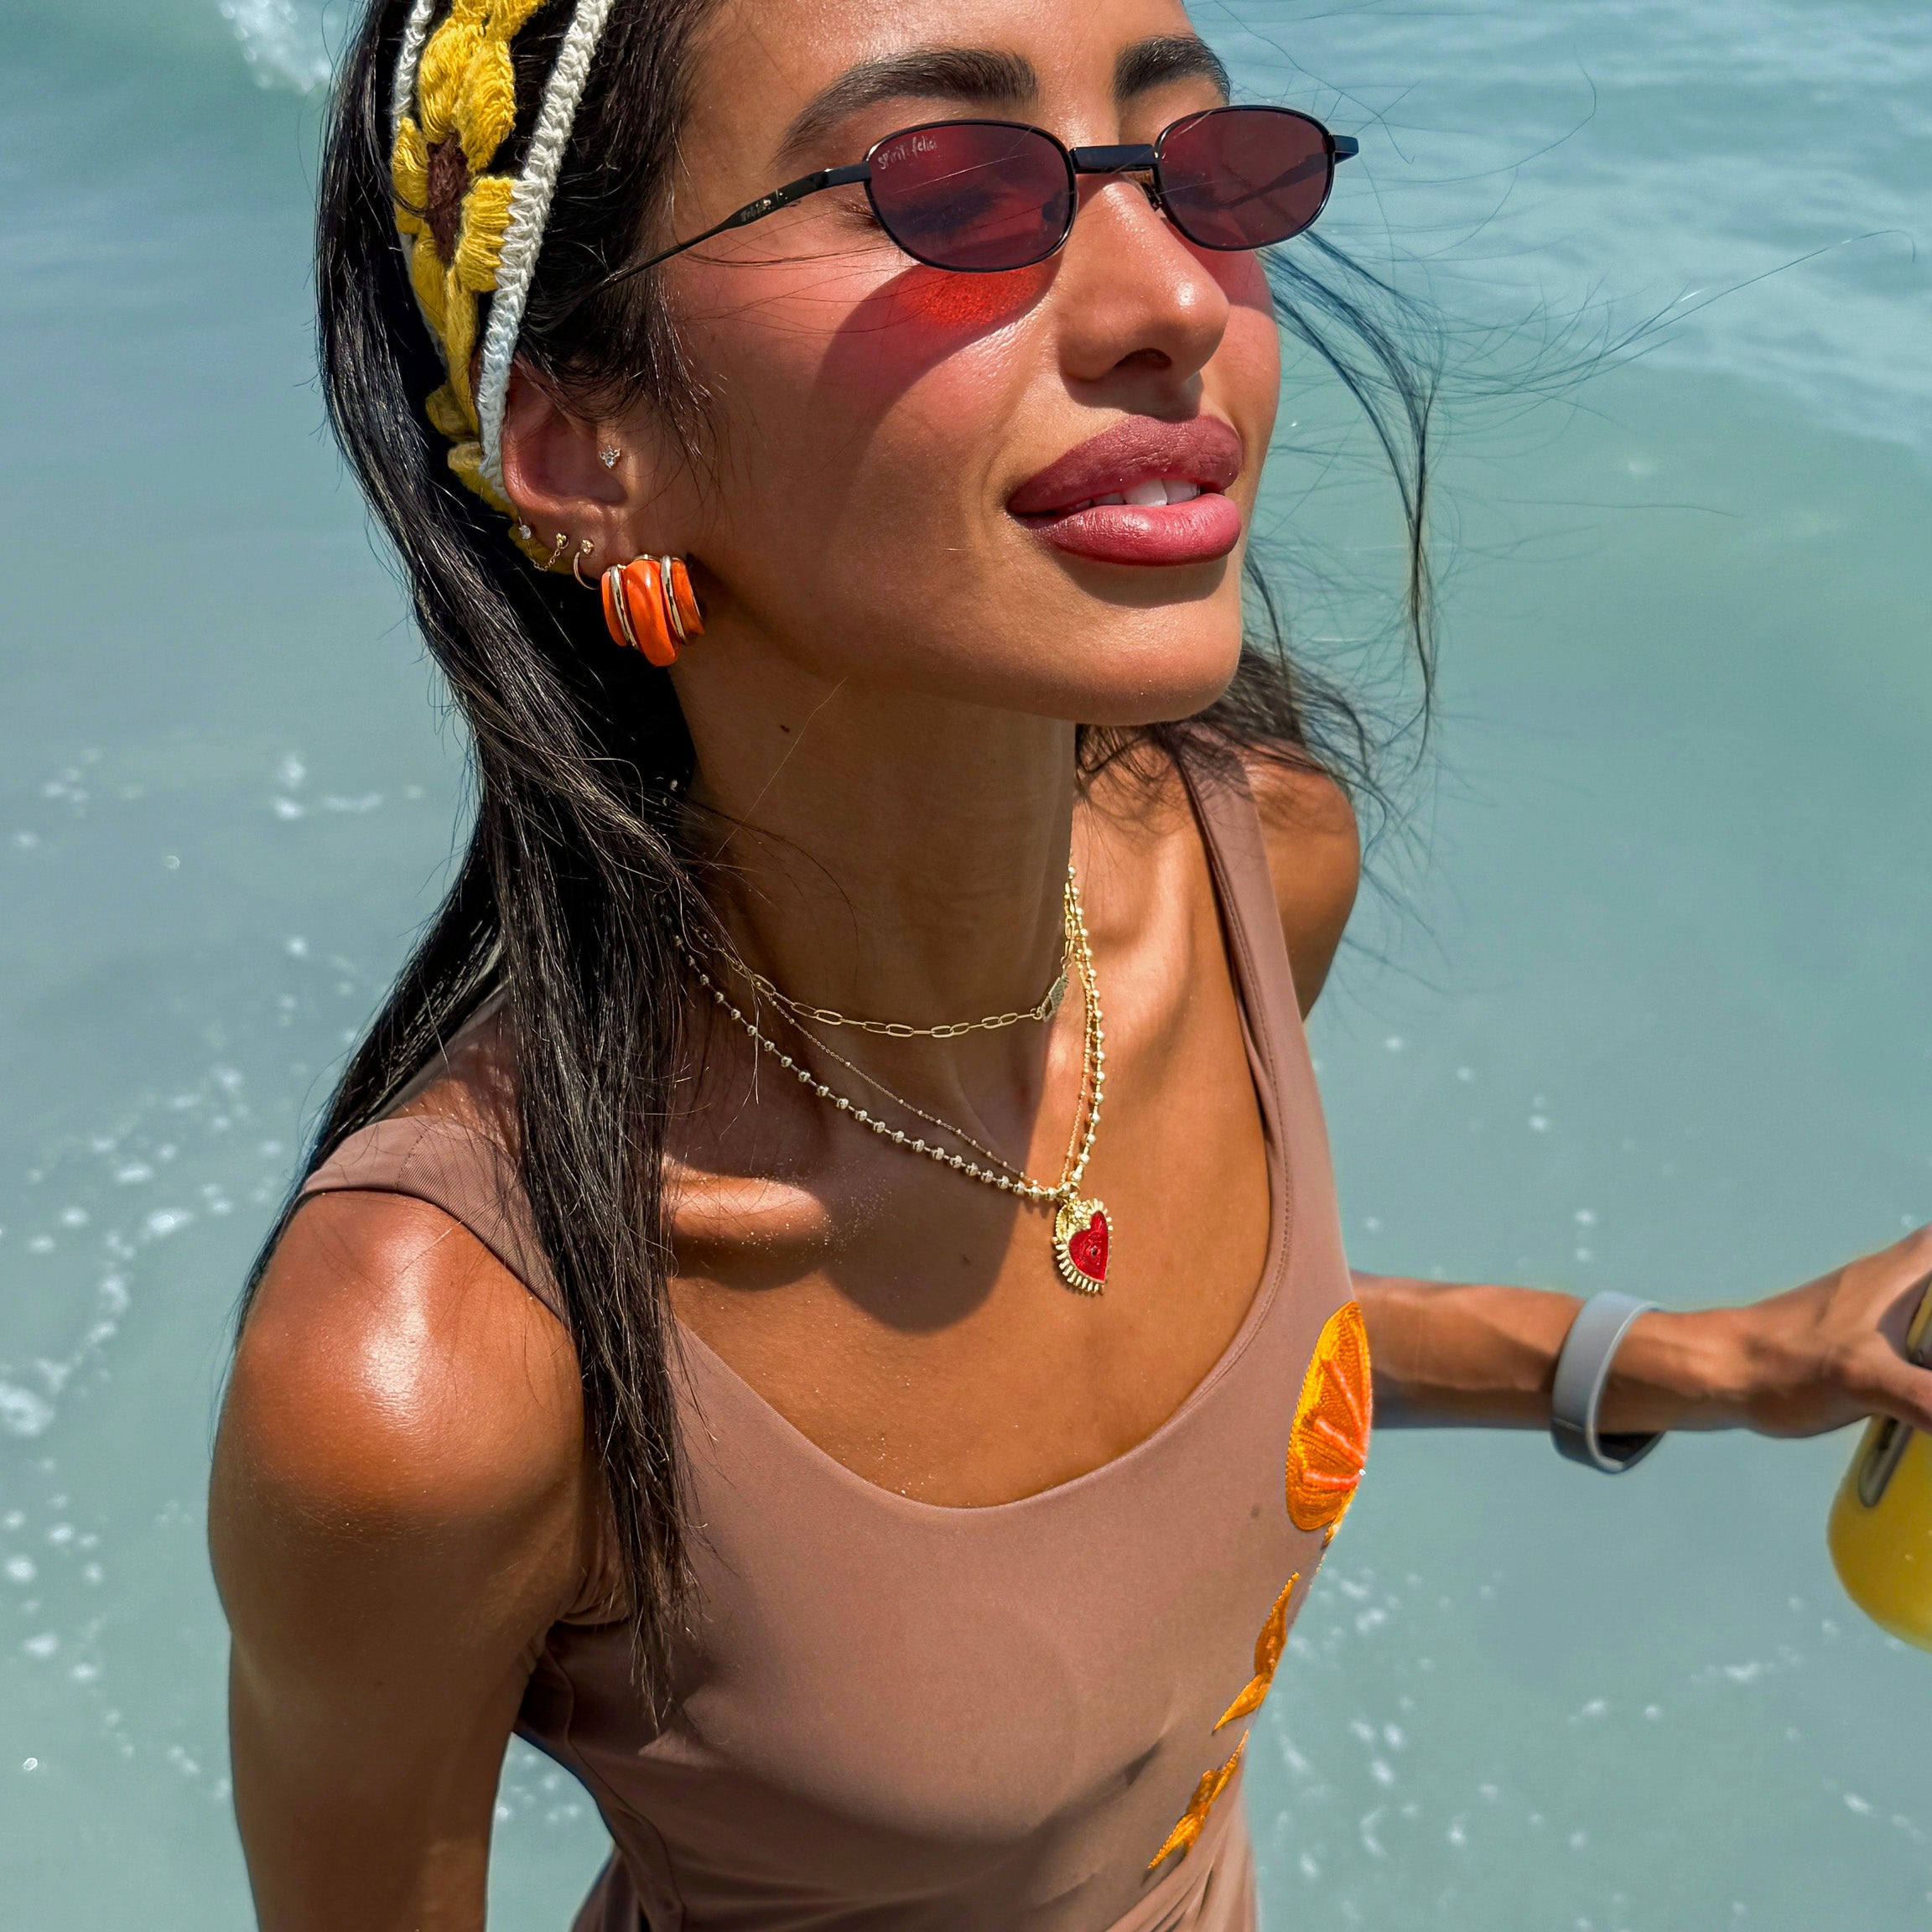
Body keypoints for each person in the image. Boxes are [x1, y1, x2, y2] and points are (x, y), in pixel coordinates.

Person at [206, 2, 1932, 1927]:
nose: (1171, 298)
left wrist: (1688, 1360)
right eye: (950, 191)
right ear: (585, 440)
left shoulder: (1253, 866)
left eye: (1208, 170)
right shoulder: (431, 1370)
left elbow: (1186, 1342)